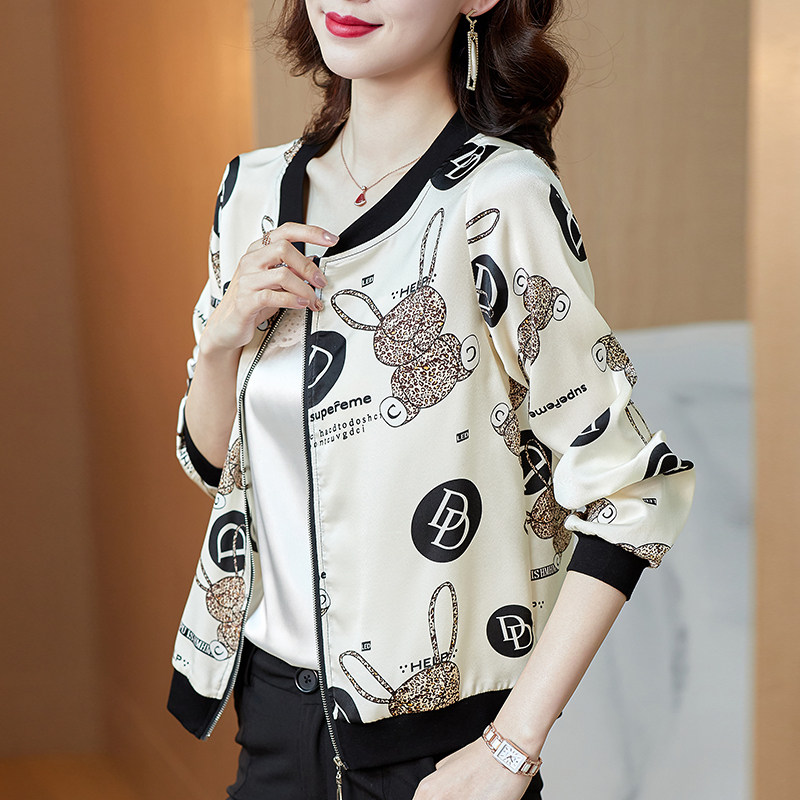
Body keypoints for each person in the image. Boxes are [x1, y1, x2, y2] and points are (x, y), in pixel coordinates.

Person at [167, 2, 696, 799]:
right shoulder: (251, 189)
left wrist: (511, 748)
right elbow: (214, 464)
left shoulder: (503, 200)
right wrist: (219, 343)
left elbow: (631, 492)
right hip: (271, 720)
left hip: (441, 752)